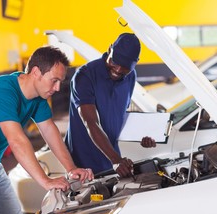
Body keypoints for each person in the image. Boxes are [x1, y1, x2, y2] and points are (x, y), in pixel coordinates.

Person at [0, 45, 94, 214]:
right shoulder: (2, 89)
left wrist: (71, 168)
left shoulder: (37, 98)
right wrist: (46, 181)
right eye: (54, 80)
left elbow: (50, 131)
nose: (57, 88)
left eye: (60, 82)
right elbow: (17, 140)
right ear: (36, 72)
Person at [65, 33, 156, 178]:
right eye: (115, 61)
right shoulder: (85, 76)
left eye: (125, 66)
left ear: (135, 63)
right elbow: (91, 122)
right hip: (82, 163)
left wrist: (145, 135)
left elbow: (121, 114)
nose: (119, 69)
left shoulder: (130, 76)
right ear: (109, 49)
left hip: (111, 160)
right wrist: (116, 160)